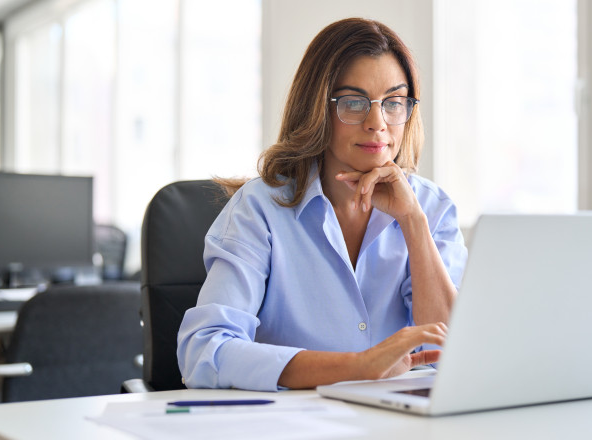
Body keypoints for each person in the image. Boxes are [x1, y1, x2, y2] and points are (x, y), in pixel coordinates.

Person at [177, 17, 467, 392]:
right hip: (292, 423)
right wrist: (357, 366)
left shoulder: (432, 207)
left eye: (393, 103)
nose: (377, 123)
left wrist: (413, 222)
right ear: (318, 108)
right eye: (353, 103)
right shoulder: (261, 209)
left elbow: (452, 352)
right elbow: (204, 350)